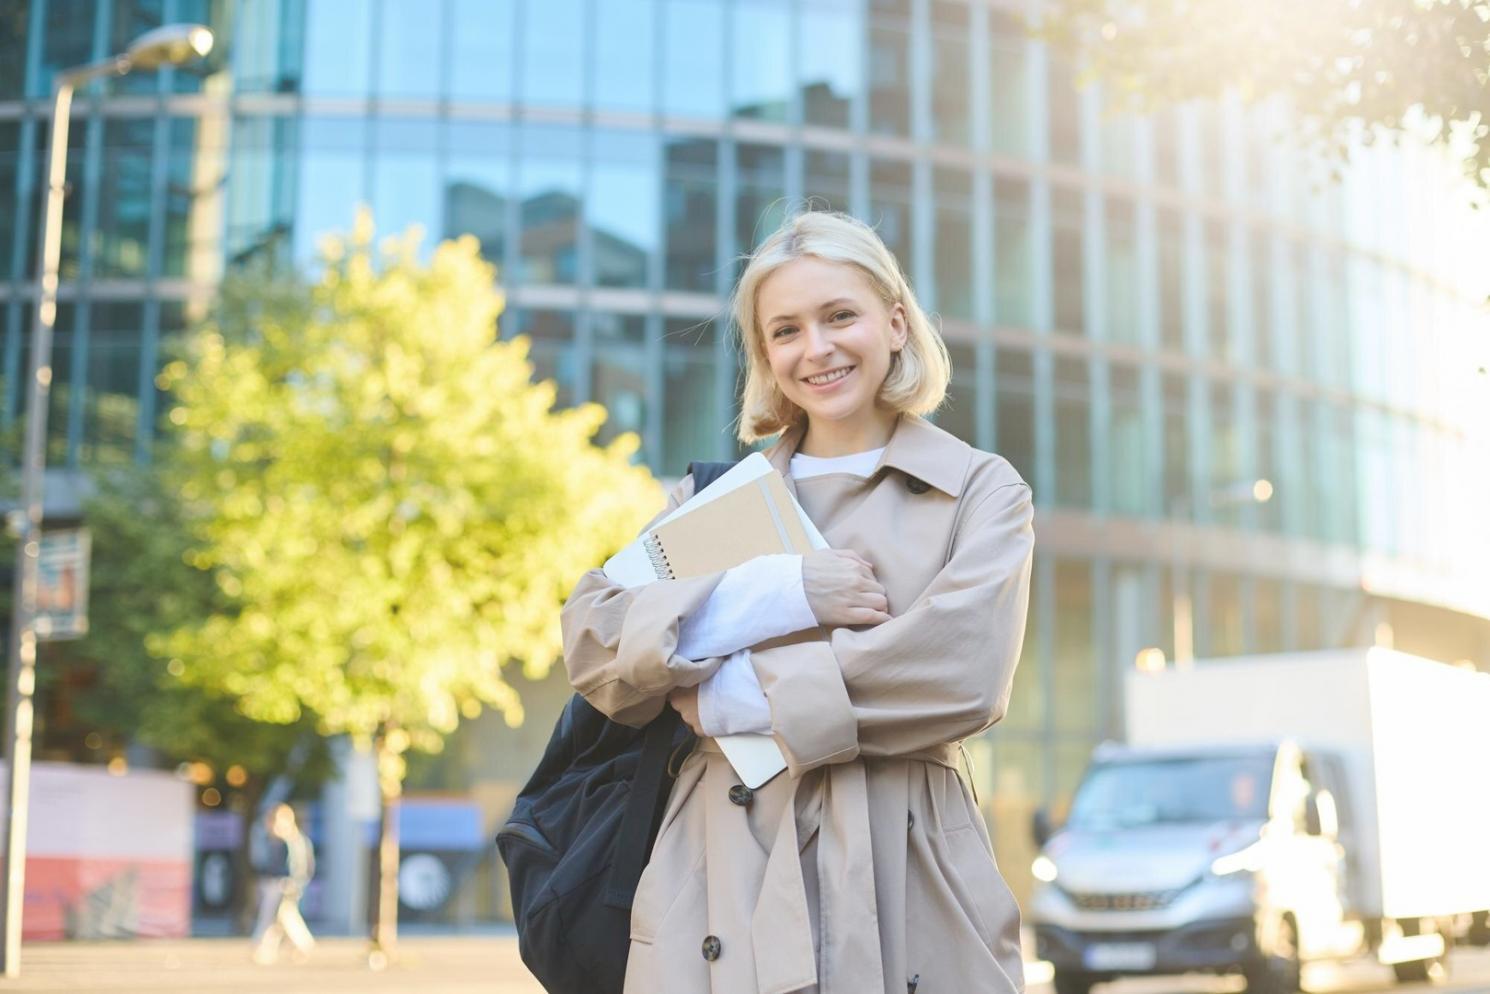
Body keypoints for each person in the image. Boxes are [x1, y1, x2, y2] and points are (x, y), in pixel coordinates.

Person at [561, 210, 1034, 993]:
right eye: (785, 330)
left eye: (839, 316)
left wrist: (730, 695)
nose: (815, 349)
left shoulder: (978, 490)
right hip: (714, 877)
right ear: (765, 355)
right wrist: (769, 594)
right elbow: (594, 640)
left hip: (906, 869)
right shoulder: (716, 499)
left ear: (894, 321)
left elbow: (962, 675)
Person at [250, 802, 316, 965]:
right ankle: (303, 945)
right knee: (285, 918)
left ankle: (263, 948)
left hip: (284, 885)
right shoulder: (271, 840)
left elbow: (299, 867)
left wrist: (295, 883)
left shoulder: (293, 841)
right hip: (274, 883)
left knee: (269, 917)